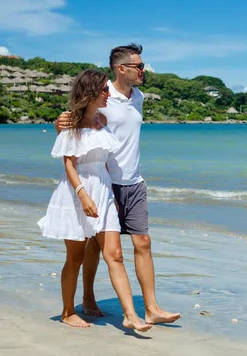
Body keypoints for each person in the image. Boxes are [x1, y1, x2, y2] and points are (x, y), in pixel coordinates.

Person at [55, 44, 181, 325]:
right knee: (94, 246)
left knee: (143, 242)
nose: (143, 70)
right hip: (105, 182)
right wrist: (59, 125)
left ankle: (151, 308)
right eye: (139, 66)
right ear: (121, 68)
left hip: (134, 181)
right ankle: (87, 297)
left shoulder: (139, 97)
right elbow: (72, 125)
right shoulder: (102, 95)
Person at [38, 69, 152, 332]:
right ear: (90, 93)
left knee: (115, 254)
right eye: (103, 90)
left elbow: (108, 163)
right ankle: (67, 312)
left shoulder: (102, 119)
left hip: (103, 190)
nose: (108, 93)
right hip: (77, 192)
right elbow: (69, 165)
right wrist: (83, 195)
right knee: (75, 257)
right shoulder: (71, 124)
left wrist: (111, 195)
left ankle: (131, 316)